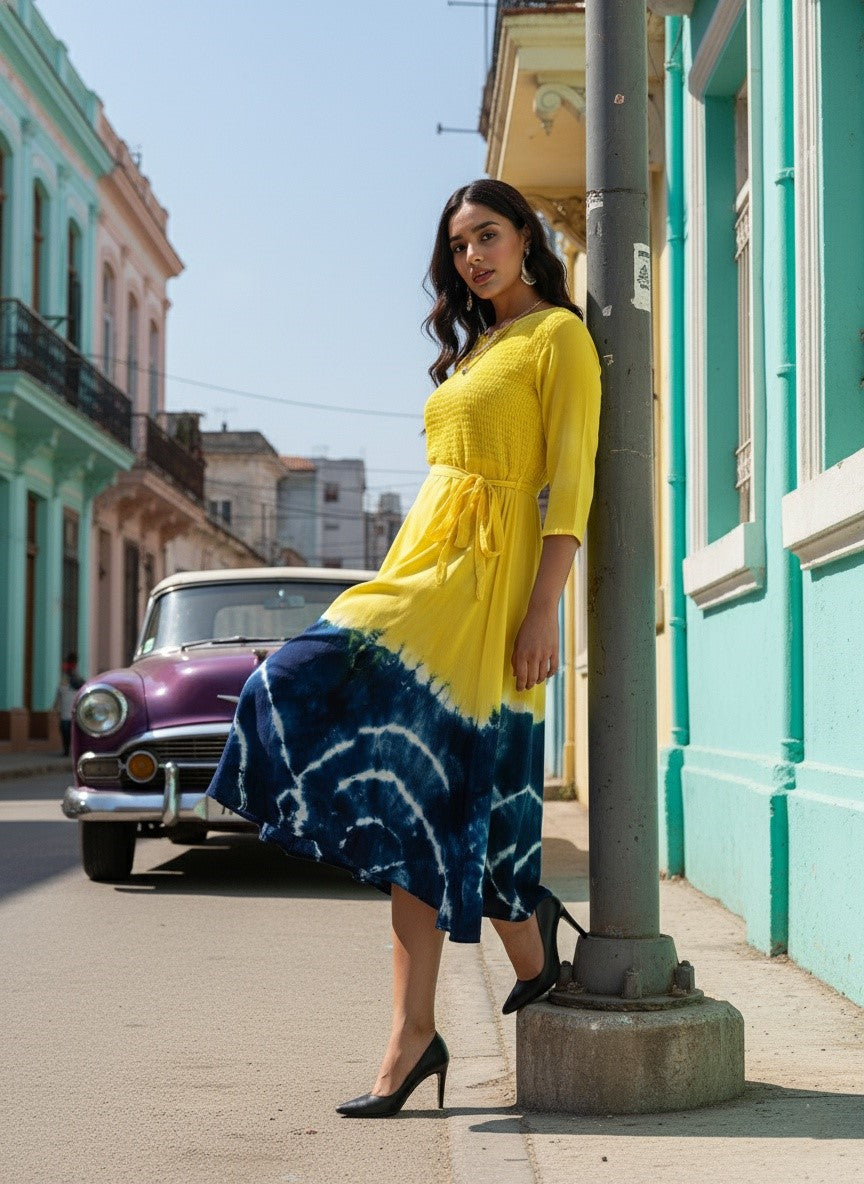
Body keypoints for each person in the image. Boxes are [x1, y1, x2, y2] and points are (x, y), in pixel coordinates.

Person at [206, 178, 602, 1117]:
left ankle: (490, 963)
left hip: (489, 587)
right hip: (423, 568)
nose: (473, 257)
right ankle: (425, 1022)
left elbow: (571, 487)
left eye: (488, 236)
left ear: (527, 239)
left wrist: (543, 611)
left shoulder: (559, 337)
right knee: (355, 751)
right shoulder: (473, 351)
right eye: (459, 246)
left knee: (449, 800)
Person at [54, 651, 84, 757]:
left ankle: (67, 749)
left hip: (70, 711)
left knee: (67, 731)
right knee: (67, 731)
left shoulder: (74, 676)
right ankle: (67, 749)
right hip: (68, 710)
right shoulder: (71, 676)